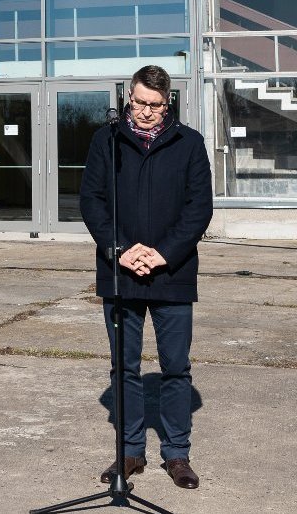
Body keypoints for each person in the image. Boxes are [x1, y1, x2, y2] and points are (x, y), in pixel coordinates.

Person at [79, 64, 213, 490]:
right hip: (121, 273)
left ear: (167, 102)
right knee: (125, 367)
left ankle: (177, 454)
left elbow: (199, 208)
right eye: (140, 103)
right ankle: (130, 452)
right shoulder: (107, 141)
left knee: (176, 367)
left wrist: (163, 253)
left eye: (156, 105)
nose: (147, 112)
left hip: (171, 273)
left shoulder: (189, 143)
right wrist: (120, 250)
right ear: (128, 99)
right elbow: (92, 201)